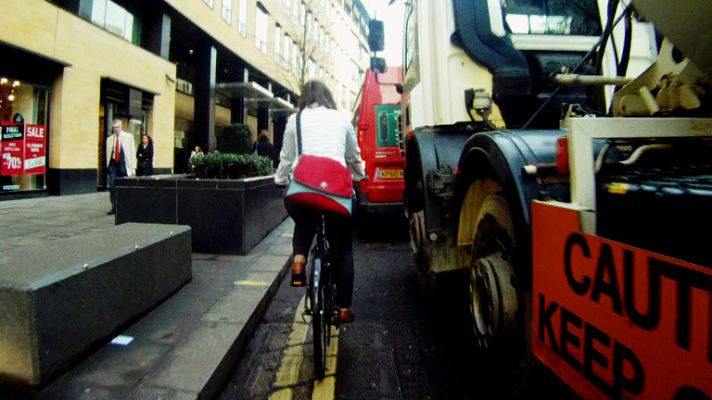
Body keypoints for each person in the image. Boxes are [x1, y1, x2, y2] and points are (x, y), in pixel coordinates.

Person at [274, 80, 366, 324]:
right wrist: (360, 175)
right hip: (337, 196)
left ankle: (299, 260)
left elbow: (286, 157)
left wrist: (280, 179)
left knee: (304, 220)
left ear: (304, 97)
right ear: (328, 97)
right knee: (343, 251)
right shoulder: (342, 119)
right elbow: (353, 156)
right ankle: (344, 308)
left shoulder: (296, 120)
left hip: (301, 193)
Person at [105, 119, 136, 215]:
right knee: (112, 186)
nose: (116, 129)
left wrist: (133, 168)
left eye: (117, 127)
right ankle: (114, 207)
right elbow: (108, 153)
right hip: (113, 164)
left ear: (121, 127)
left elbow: (132, 152)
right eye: (114, 128)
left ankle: (125, 205)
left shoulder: (128, 137)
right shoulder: (110, 139)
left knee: (125, 186)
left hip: (124, 164)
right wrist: (108, 166)